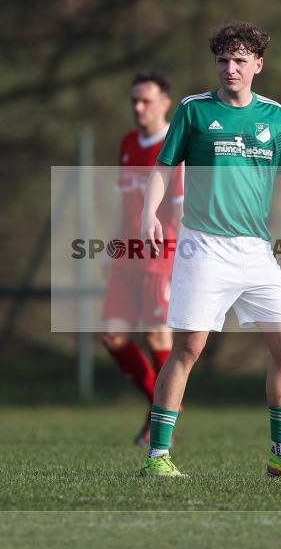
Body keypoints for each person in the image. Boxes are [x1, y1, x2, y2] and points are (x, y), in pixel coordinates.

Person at [138, 21, 281, 478]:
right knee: (188, 349)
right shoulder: (194, 110)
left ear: (258, 65)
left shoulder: (274, 116)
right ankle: (157, 457)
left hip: (256, 252)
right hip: (204, 246)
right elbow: (164, 168)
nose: (230, 68)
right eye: (223, 60)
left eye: (240, 60)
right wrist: (149, 213)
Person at [101, 72, 183, 446]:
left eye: (146, 100)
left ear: (165, 102)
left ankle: (160, 419)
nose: (138, 107)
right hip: (128, 256)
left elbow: (182, 212)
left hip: (160, 255)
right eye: (134, 100)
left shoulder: (176, 145)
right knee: (113, 336)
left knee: (156, 332)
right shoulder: (128, 143)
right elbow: (126, 203)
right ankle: (162, 407)